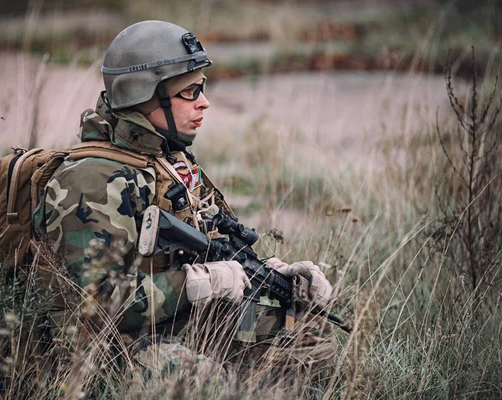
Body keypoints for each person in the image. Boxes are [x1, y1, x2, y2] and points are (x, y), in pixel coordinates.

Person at [32, 20, 336, 389]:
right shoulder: (89, 181)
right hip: (104, 348)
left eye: (201, 88)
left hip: (178, 323)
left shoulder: (169, 162)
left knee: (306, 338)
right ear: (142, 95)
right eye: (189, 92)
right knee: (198, 379)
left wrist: (274, 273)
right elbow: (97, 305)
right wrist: (199, 283)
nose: (204, 102)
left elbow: (216, 243)